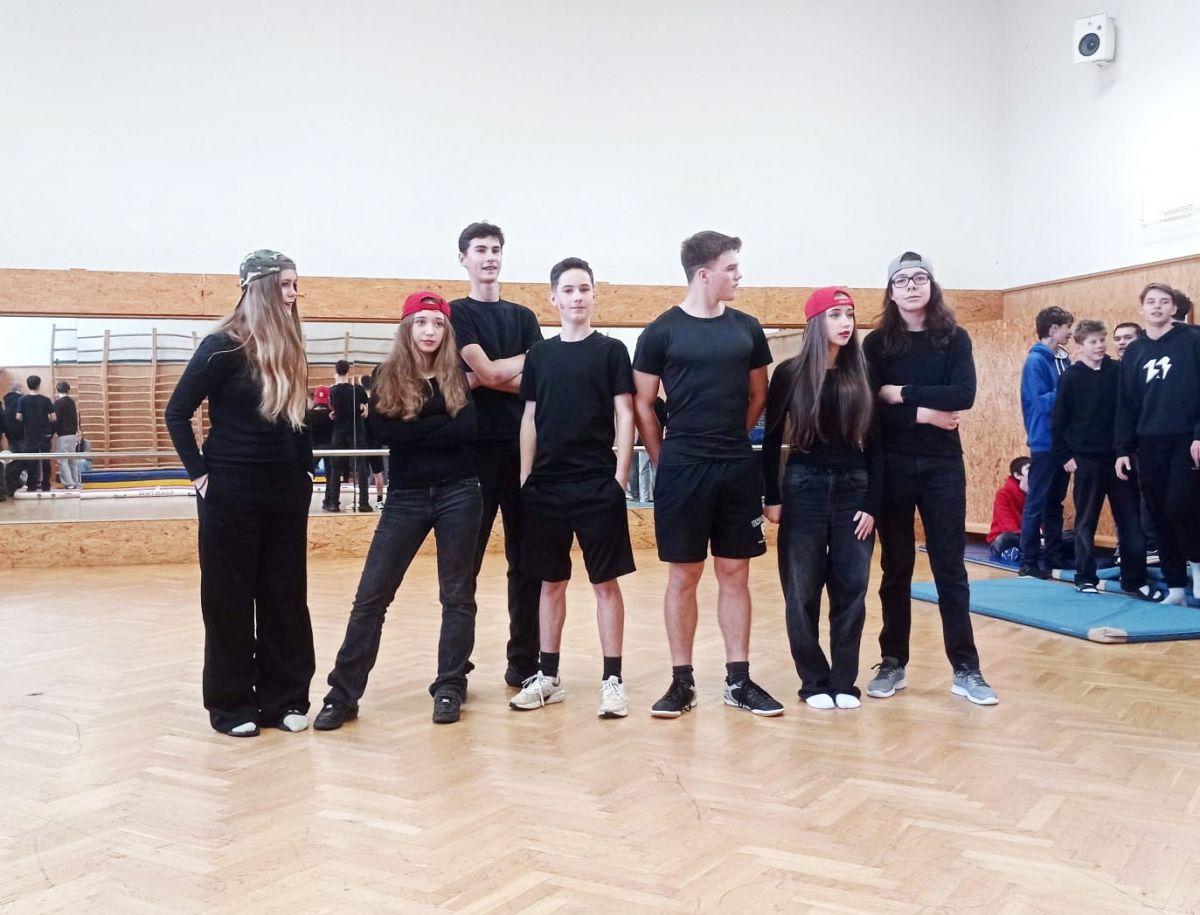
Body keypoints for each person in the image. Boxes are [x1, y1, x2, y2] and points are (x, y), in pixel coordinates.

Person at [164, 249, 315, 737]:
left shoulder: (291, 346)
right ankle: (232, 706)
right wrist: (201, 477)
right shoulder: (220, 347)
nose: (294, 294)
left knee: (285, 597)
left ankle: (285, 698)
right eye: (286, 285)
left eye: (296, 284)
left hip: (284, 492)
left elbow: (298, 421)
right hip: (229, 492)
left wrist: (306, 473)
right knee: (228, 600)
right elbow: (176, 412)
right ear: (263, 287)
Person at [633, 230, 783, 718]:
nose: (738, 275)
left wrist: (732, 438)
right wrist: (664, 458)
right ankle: (682, 682)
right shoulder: (660, 332)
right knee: (684, 574)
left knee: (735, 572)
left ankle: (738, 680)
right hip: (683, 468)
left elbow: (759, 395)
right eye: (731, 268)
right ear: (704, 274)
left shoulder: (748, 328)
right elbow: (643, 403)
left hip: (736, 467)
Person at [315, 292, 480, 728]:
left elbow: (468, 428)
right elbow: (385, 432)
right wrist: (439, 427)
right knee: (371, 596)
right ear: (407, 327)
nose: (430, 331)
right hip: (406, 495)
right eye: (421, 322)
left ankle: (450, 686)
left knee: (457, 595)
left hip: (460, 491)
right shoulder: (387, 375)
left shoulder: (456, 373)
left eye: (437, 323)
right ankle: (342, 696)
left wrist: (413, 425)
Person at [863, 251, 997, 706]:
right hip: (894, 464)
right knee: (896, 567)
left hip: (943, 466)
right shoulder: (876, 344)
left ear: (932, 286)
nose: (912, 286)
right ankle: (892, 661)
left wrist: (901, 393)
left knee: (950, 568)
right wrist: (924, 413)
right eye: (902, 280)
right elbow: (870, 408)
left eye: (920, 278)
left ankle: (966, 668)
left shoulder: (954, 338)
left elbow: (964, 394)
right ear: (891, 291)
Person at [510, 258, 637, 718]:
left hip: (596, 484)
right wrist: (526, 478)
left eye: (584, 288)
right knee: (551, 583)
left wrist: (619, 478)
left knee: (605, 584)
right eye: (568, 290)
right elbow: (530, 417)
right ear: (554, 298)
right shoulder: (540, 355)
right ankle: (548, 676)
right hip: (546, 487)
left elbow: (625, 413)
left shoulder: (611, 351)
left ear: (594, 294)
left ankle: (612, 680)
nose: (577, 296)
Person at [762, 287, 880, 711]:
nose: (845, 322)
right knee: (801, 588)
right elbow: (771, 438)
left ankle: (844, 681)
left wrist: (872, 502)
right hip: (803, 486)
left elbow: (878, 444)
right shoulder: (789, 372)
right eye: (835, 315)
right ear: (816, 323)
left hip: (854, 486)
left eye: (849, 314)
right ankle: (813, 681)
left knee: (852, 587)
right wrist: (772, 495)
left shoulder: (863, 371)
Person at [449, 221, 544, 687]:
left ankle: (524, 662)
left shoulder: (523, 316)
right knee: (464, 567)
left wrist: (486, 376)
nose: (489, 257)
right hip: (472, 456)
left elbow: (537, 382)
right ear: (463, 258)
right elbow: (485, 372)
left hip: (524, 452)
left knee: (526, 564)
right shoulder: (456, 313)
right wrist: (517, 364)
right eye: (480, 249)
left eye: (495, 249)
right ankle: (455, 669)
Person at [1052, 320, 1156, 598]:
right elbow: (1058, 420)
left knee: (1131, 521)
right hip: (1086, 460)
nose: (1099, 346)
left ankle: (1134, 579)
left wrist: (1126, 449)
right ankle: (1085, 576)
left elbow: (1128, 409)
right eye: (1093, 342)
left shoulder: (1117, 371)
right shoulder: (1071, 377)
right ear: (1080, 346)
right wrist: (1066, 456)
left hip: (1119, 458)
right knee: (1086, 521)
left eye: (1101, 340)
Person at [1115, 283, 1200, 605]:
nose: (1157, 307)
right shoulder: (1135, 351)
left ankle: (1197, 567)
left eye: (1164, 302)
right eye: (1151, 301)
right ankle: (1175, 586)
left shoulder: (1192, 339)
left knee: (1181, 506)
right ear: (1142, 309)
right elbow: (1126, 403)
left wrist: (1199, 434)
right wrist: (1122, 449)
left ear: (1174, 308)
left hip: (1185, 439)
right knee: (1158, 513)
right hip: (1149, 442)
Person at [1018, 306, 1074, 577]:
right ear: (1053, 329)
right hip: (1044, 441)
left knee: (1054, 502)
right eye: (1067, 327)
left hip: (1062, 442)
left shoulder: (1061, 360)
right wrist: (1070, 390)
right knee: (1038, 502)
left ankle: (1053, 555)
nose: (1070, 332)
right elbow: (1041, 402)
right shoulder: (1036, 362)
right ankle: (1027, 560)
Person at [325, 360, 371, 512]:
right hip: (356, 430)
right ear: (348, 371)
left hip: (339, 431)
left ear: (336, 371)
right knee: (361, 466)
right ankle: (364, 503)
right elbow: (365, 410)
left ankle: (333, 503)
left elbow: (335, 408)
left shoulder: (333, 391)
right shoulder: (357, 389)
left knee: (335, 467)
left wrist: (335, 413)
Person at [15, 375, 56, 492]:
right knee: (46, 460)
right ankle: (46, 486)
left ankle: (31, 486)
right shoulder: (46, 400)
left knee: (31, 461)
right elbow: (54, 417)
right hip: (44, 434)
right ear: (38, 385)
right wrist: (44, 420)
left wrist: (28, 420)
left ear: (28, 385)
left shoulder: (22, 400)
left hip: (29, 434)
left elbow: (18, 416)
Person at [987, 457, 1029, 561]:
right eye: (1029, 469)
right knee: (1006, 539)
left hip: (1031, 537)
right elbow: (1008, 526)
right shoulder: (1004, 494)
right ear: (1018, 475)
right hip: (1011, 536)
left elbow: (1044, 521)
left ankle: (1022, 551)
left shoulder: (1038, 494)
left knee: (1064, 537)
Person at [360, 373, 388, 504]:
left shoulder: (361, 403)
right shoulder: (378, 402)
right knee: (378, 471)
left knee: (363, 472)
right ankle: (379, 499)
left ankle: (363, 500)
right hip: (375, 440)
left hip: (364, 439)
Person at [52, 381, 82, 490]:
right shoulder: (71, 402)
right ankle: (76, 481)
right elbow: (75, 418)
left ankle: (69, 483)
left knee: (62, 460)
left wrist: (52, 432)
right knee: (72, 460)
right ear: (68, 390)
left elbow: (56, 420)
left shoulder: (57, 403)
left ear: (57, 390)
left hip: (63, 434)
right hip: (72, 434)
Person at [305, 384, 334, 479]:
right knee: (331, 476)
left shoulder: (308, 414)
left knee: (308, 473)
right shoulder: (332, 414)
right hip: (329, 447)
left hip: (313, 447)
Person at [3, 383, 25, 495]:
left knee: (15, 459)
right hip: (20, 434)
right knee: (21, 459)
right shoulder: (20, 400)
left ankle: (13, 484)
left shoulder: (7, 401)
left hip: (10, 434)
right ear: (20, 389)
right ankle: (10, 484)